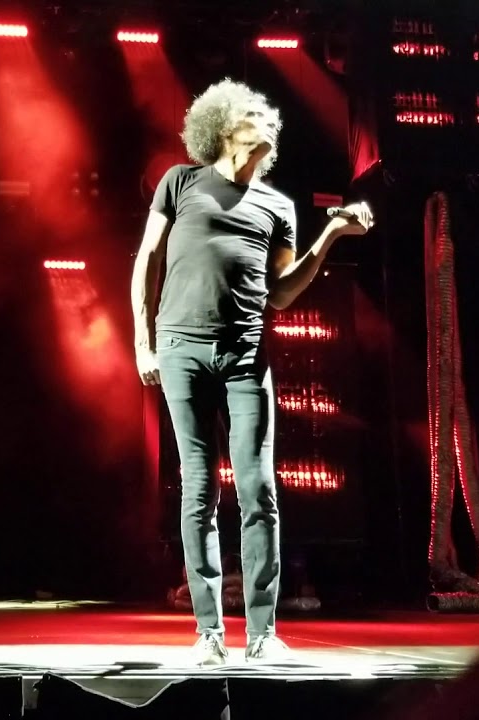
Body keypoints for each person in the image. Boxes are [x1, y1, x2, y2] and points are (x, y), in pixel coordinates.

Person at [130, 79, 373, 666]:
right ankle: (208, 632)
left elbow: (282, 293)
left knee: (258, 489)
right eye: (250, 114)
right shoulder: (180, 182)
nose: (264, 121)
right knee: (199, 488)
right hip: (182, 349)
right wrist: (143, 341)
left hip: (245, 356)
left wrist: (331, 234)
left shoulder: (277, 206)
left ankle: (262, 632)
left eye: (267, 118)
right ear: (221, 128)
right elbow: (147, 260)